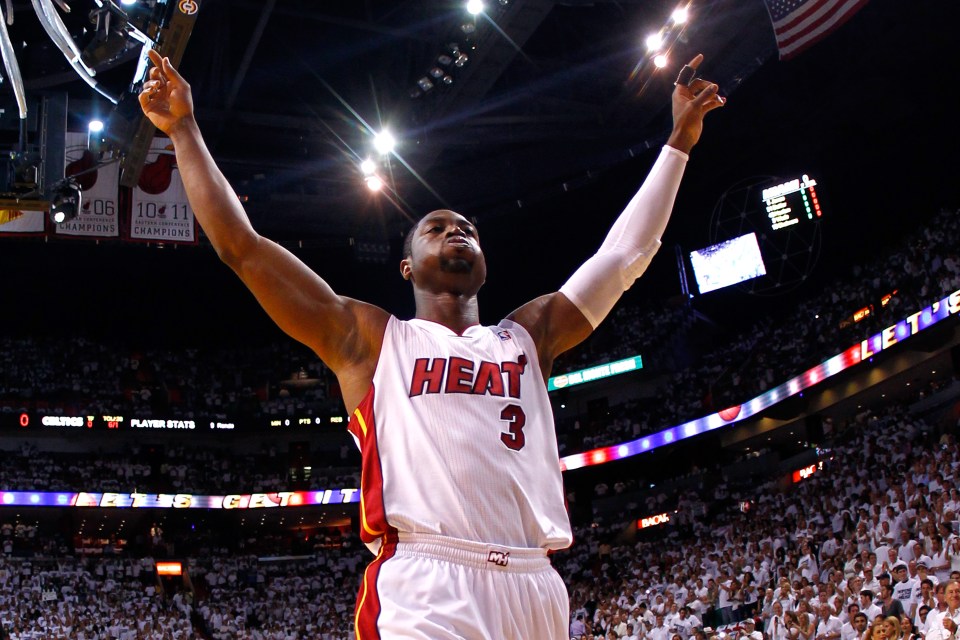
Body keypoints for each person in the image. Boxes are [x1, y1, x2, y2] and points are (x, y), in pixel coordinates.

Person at [138, 47, 724, 639]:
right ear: (406, 267)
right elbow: (243, 247)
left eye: (466, 228)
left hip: (536, 584)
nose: (456, 231)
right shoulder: (370, 339)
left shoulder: (529, 335)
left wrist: (677, 144)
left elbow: (624, 257)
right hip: (428, 582)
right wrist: (184, 128)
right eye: (435, 228)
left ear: (486, 266)